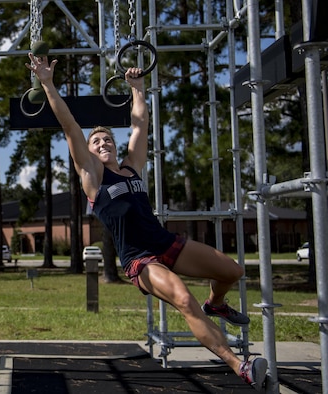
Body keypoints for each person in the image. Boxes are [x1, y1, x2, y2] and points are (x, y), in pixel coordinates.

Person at [26, 52, 268, 391]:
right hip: (140, 258)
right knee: (183, 299)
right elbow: (69, 125)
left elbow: (140, 125)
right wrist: (48, 83)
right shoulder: (92, 176)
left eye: (107, 138)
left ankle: (215, 304)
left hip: (165, 243)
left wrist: (137, 88)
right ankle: (239, 364)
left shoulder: (131, 167)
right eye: (96, 141)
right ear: (89, 152)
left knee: (232, 271)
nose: (103, 142)